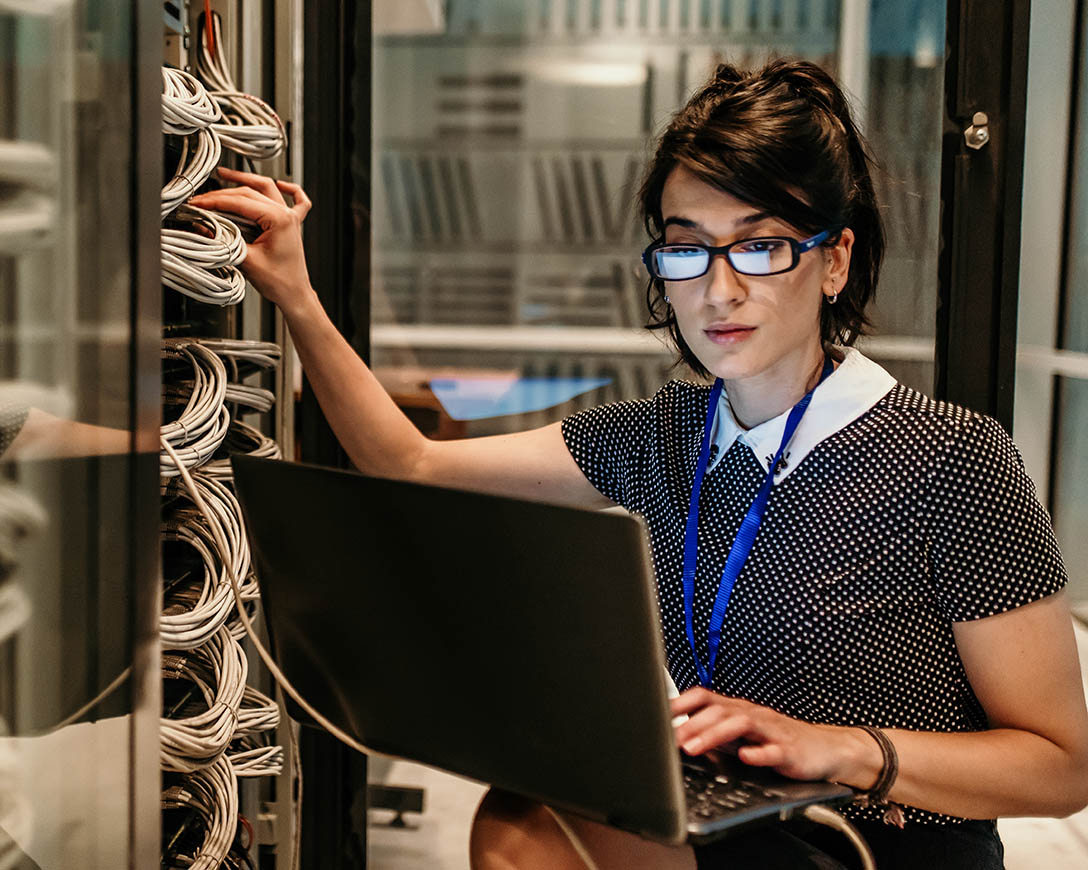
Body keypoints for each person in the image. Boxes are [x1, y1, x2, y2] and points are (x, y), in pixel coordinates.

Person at [189, 59, 1088, 870]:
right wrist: (297, 297)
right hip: (729, 816)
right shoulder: (665, 435)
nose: (718, 289)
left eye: (762, 243)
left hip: (885, 841)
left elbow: (1060, 768)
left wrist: (844, 749)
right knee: (518, 822)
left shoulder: (951, 458)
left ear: (834, 261)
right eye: (688, 245)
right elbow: (410, 463)